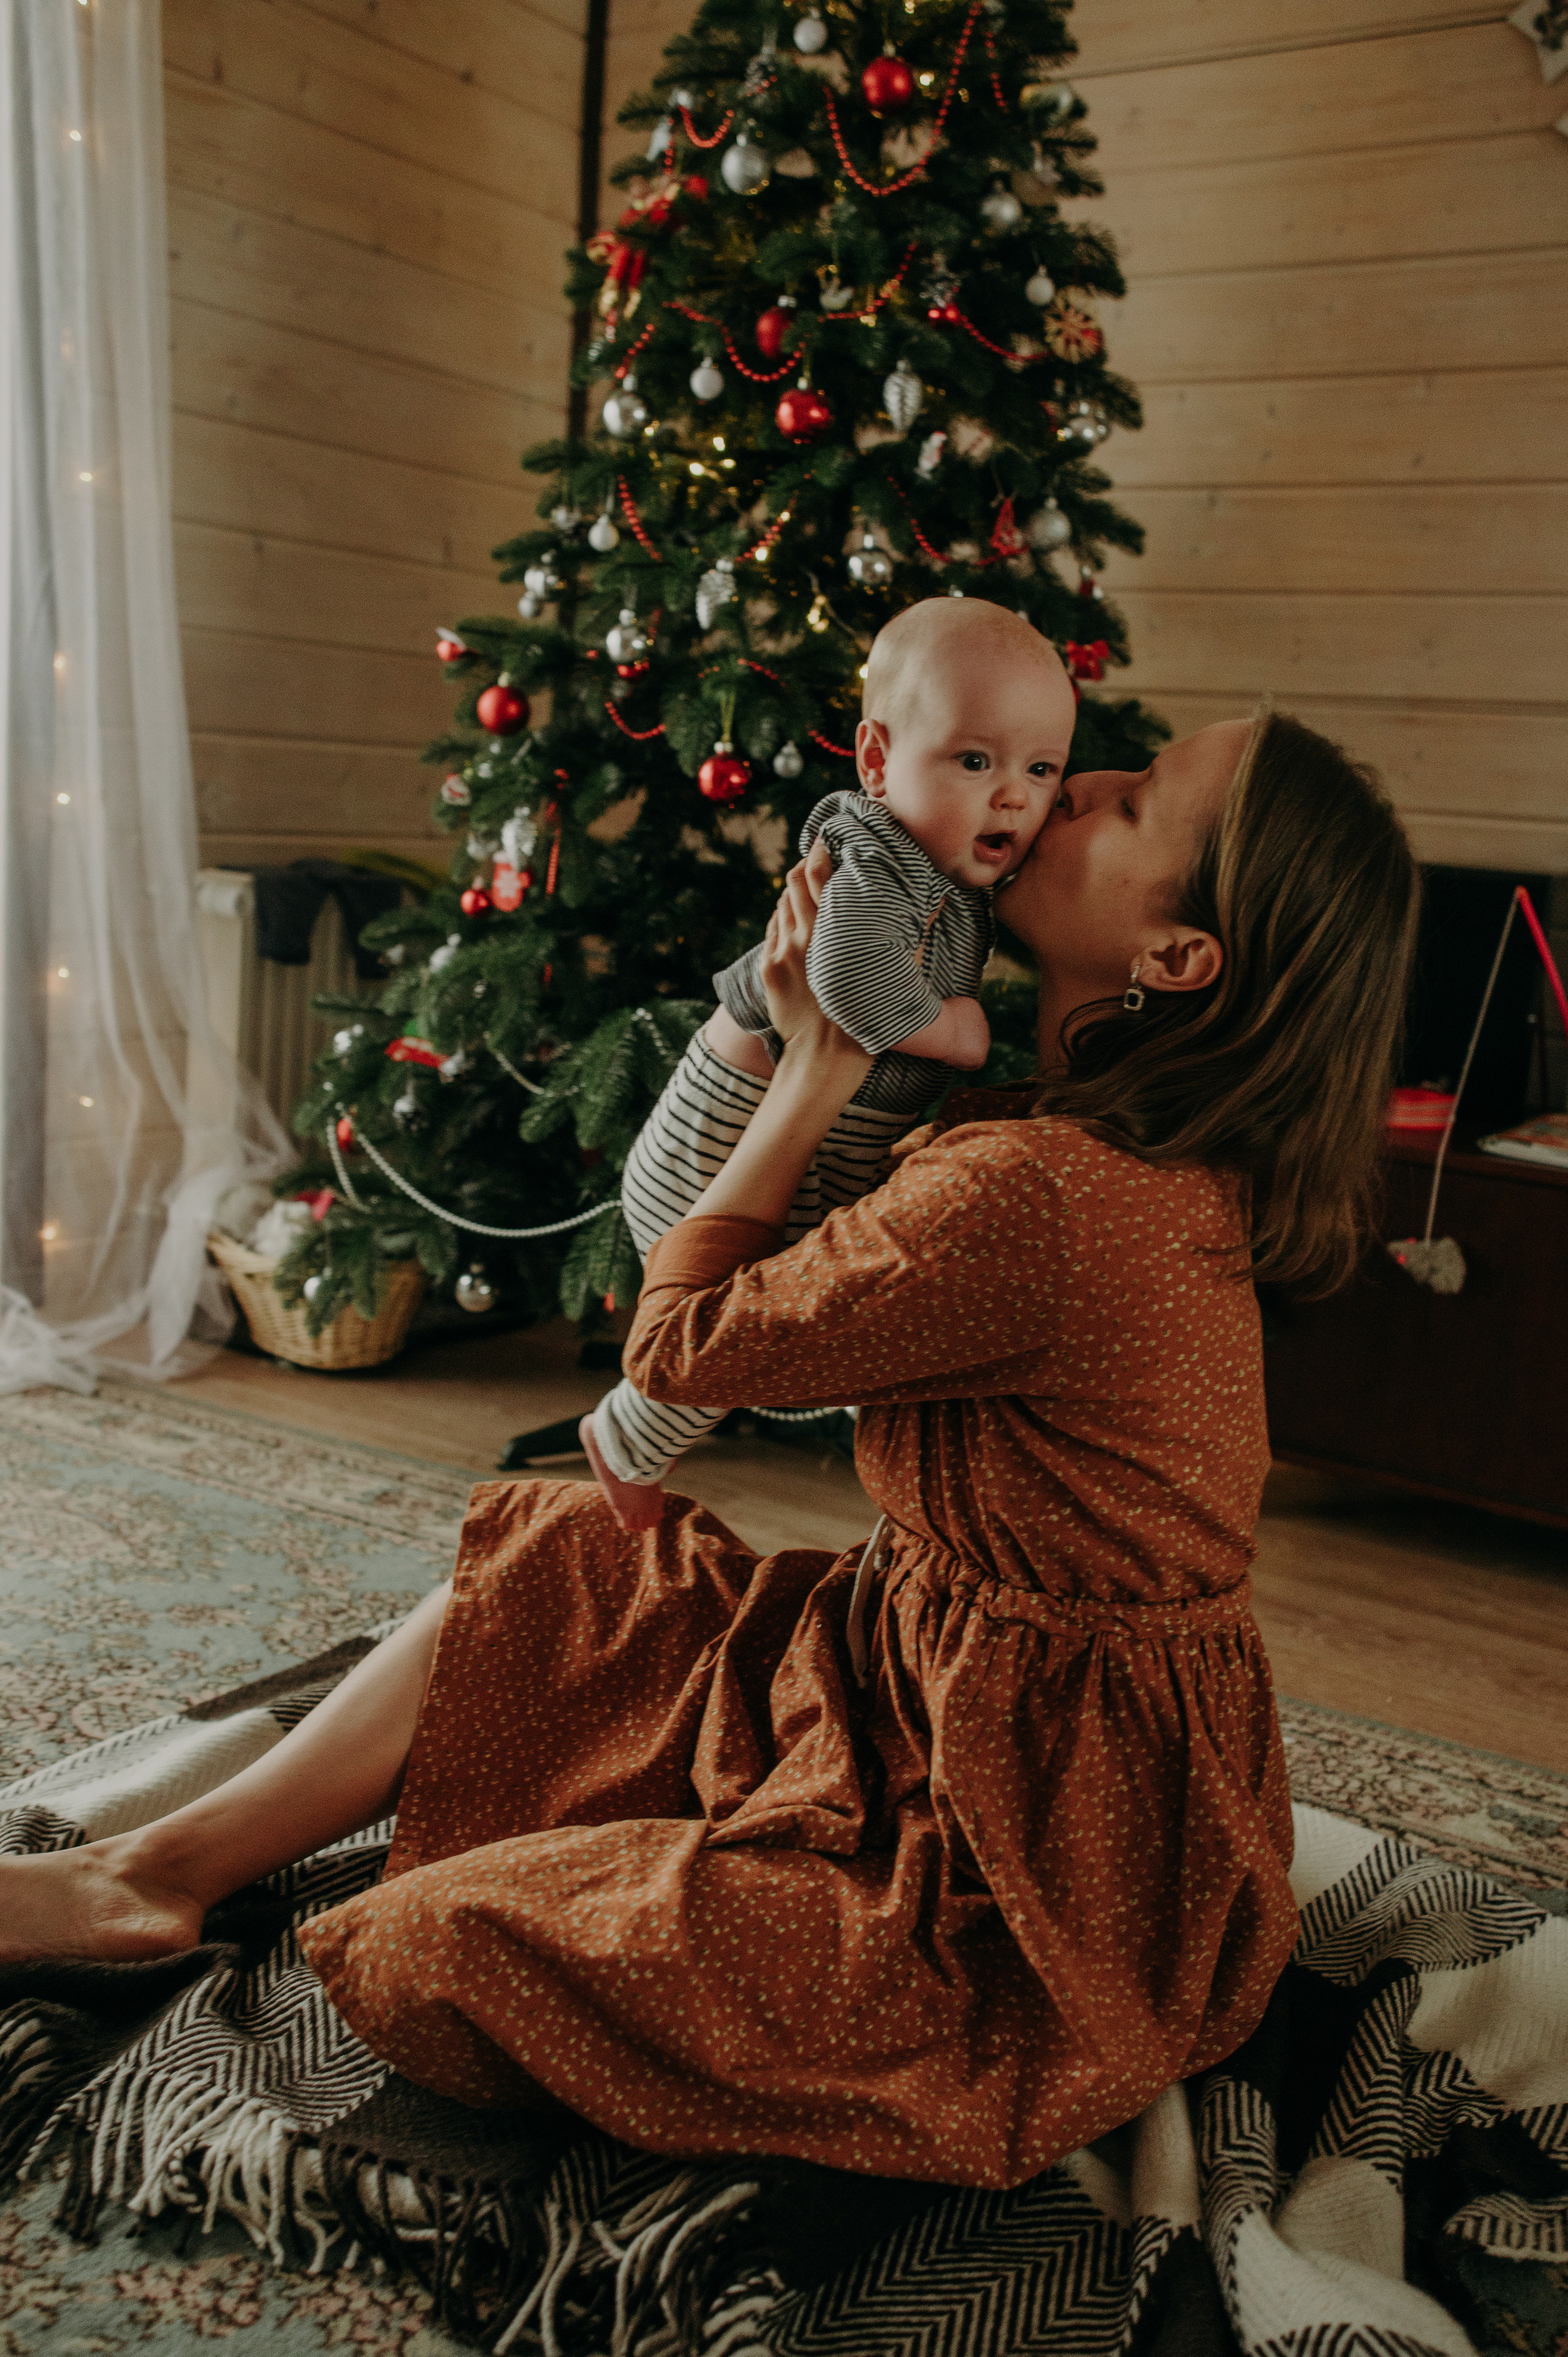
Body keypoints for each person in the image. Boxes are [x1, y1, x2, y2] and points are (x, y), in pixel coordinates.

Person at [0, 707, 1420, 2193]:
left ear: (1176, 958)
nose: (1075, 789)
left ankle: (785, 1948)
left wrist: (813, 1061)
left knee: (440, 1945)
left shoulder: (1041, 1192)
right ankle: (147, 1878)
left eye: (1129, 805)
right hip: (927, 1681)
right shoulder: (1080, 1147)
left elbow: (677, 1351)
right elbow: (800, 1308)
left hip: (1035, 1861)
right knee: (564, 1558)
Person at [582, 596, 1074, 1529]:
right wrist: (960, 1034)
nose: (1014, 794)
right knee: (740, 1321)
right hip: (723, 1140)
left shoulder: (953, 878)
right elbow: (847, 981)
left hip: (806, 1137)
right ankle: (625, 1439)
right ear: (880, 761)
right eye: (976, 760)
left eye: (1041, 768)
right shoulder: (875, 852)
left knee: (816, 1316)